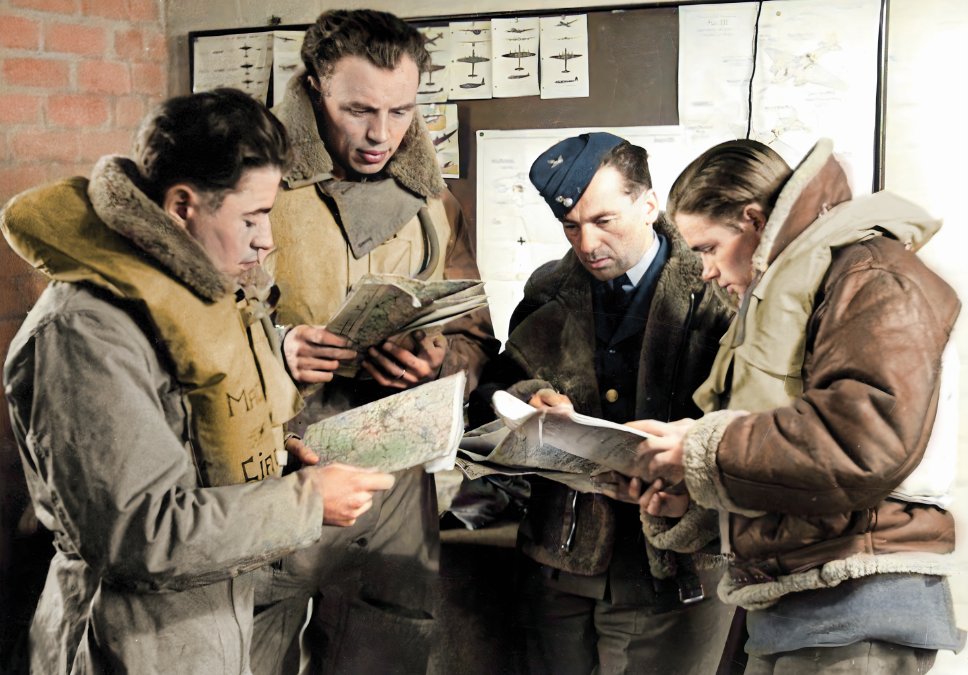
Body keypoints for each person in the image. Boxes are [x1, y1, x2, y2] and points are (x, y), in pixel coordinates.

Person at [1, 89, 396, 673]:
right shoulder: (87, 331)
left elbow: (185, 442)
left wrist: (275, 463)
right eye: (251, 217)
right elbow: (138, 535)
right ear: (182, 207)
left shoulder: (195, 293)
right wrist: (305, 502)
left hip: (205, 626)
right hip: (126, 645)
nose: (266, 239)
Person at [631, 138, 964, 673]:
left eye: (709, 248)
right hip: (802, 603)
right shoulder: (805, 283)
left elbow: (862, 443)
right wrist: (693, 498)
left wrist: (704, 450)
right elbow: (797, 458)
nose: (705, 270)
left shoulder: (872, 274)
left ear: (753, 220)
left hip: (856, 606)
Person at [258, 9, 498, 673]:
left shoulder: (434, 201)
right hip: (277, 467)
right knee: (246, 648)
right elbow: (189, 328)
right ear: (313, 88)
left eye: (400, 111)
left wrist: (439, 360)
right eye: (359, 109)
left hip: (395, 470)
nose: (381, 134)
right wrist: (279, 348)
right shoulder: (249, 180)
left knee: (388, 651)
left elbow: (474, 334)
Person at [468, 132, 735, 674]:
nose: (587, 243)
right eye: (571, 226)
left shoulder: (718, 291)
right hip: (560, 564)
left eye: (604, 220)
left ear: (648, 204)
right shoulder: (548, 291)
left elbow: (752, 426)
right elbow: (491, 391)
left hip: (674, 569)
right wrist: (527, 399)